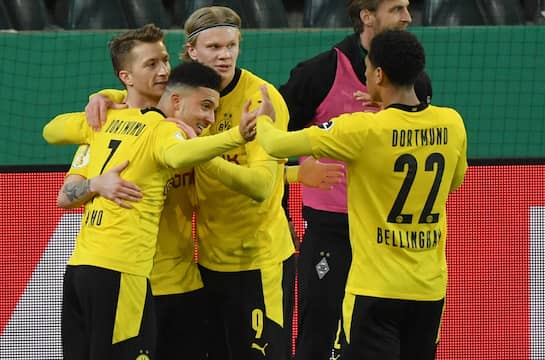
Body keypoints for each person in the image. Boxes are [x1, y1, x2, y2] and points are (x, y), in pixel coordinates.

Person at [90, 7, 299, 359]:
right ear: (191, 51)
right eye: (214, 47)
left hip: (258, 261)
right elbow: (133, 97)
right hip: (208, 265)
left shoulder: (261, 99)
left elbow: (263, 186)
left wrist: (201, 153)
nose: (225, 55)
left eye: (232, 45)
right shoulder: (180, 97)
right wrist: (104, 97)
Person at [256, 29, 467, 360]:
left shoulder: (362, 130)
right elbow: (453, 182)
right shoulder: (452, 123)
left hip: (375, 291)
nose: (365, 74)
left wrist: (265, 119)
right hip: (428, 290)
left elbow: (275, 144)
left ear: (379, 74)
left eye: (368, 69)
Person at [45, 58, 259, 359]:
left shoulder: (110, 123)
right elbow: (177, 154)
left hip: (120, 274)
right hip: (126, 274)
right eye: (206, 107)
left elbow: (52, 136)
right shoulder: (153, 129)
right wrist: (236, 135)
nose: (211, 118)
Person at [277, 1, 432, 358]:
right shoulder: (319, 73)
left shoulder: (414, 82)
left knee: (377, 340)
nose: (407, 17)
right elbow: (271, 145)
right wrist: (280, 209)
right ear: (367, 16)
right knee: (319, 332)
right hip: (333, 228)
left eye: (407, 8)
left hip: (387, 233)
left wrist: (394, 113)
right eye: (396, 8)